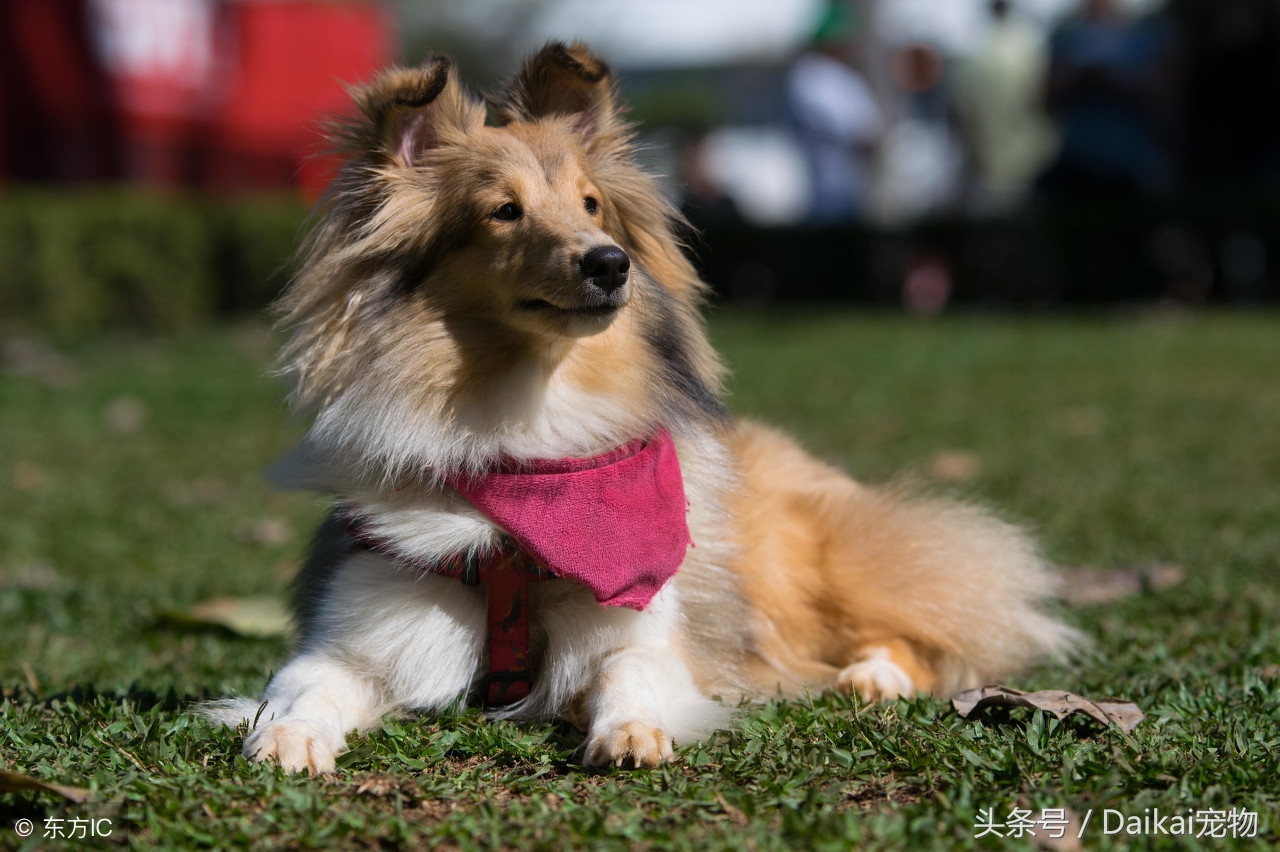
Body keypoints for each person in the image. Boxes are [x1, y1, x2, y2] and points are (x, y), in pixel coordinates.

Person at [954, 0, 1056, 213]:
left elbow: (964, 113)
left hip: (989, 164)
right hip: (1032, 161)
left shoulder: (975, 52)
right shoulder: (1029, 48)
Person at [785, 2, 882, 223]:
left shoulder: (847, 77)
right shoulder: (809, 76)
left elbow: (872, 126)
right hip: (826, 194)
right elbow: (855, 129)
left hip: (854, 190)